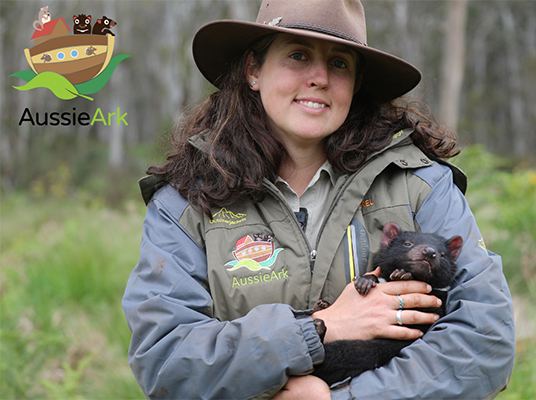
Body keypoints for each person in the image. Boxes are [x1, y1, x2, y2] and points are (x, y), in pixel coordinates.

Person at [122, 1, 515, 399]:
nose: (320, 78)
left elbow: (485, 339)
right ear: (253, 70)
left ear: (357, 82)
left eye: (340, 63)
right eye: (297, 55)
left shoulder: (420, 184)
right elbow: (166, 361)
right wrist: (320, 327)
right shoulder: (188, 200)